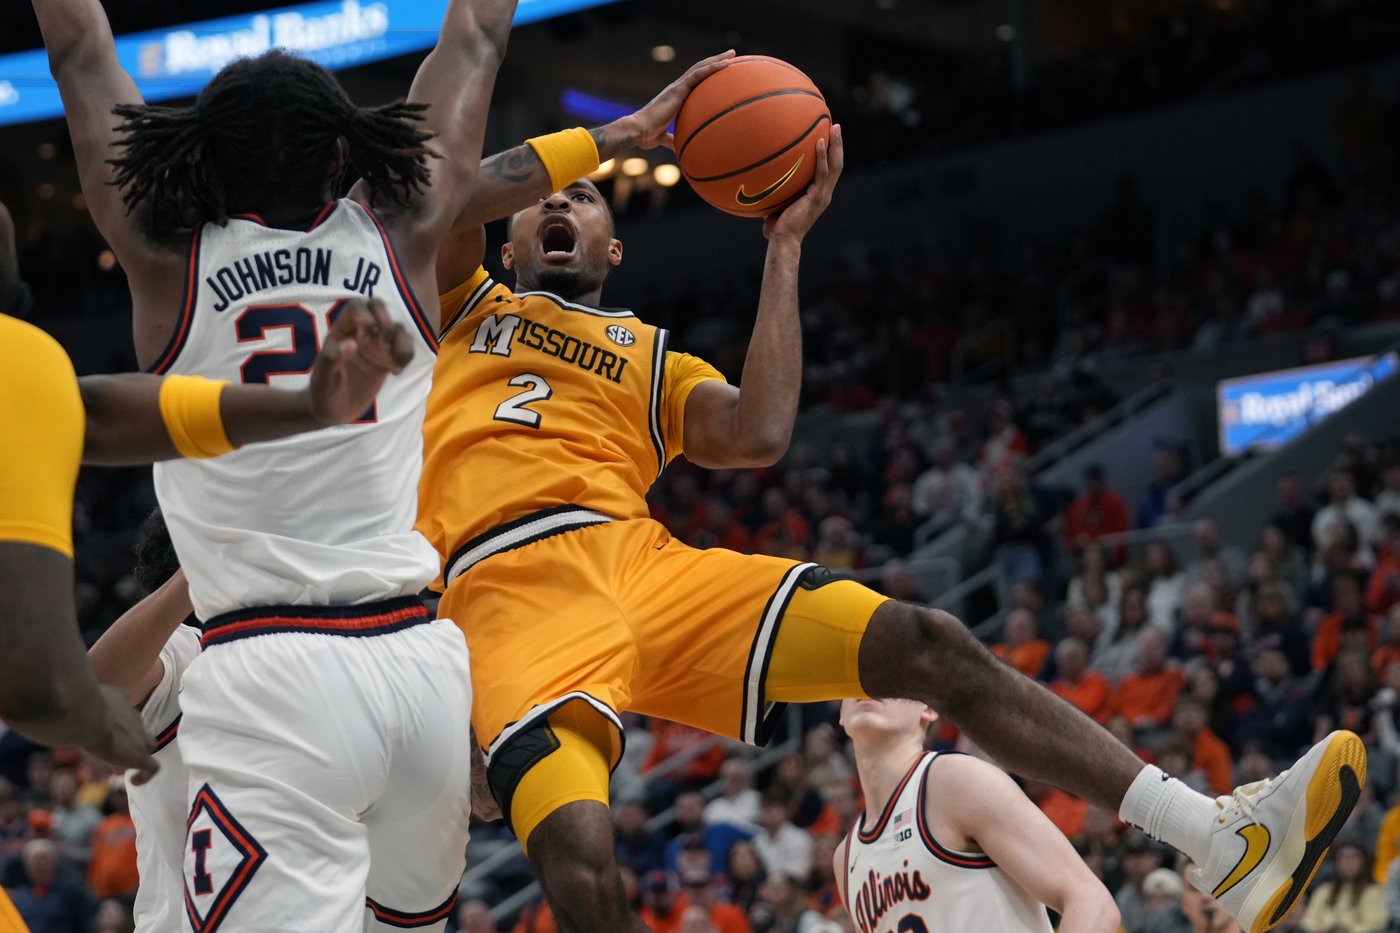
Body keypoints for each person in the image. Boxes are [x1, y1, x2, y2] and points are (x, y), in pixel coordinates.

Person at [419, 80, 1365, 933]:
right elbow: (449, 191)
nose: (557, 201)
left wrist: (783, 251)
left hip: (639, 565)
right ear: (507, 238)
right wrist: (611, 139)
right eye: (543, 197)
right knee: (582, 864)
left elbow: (758, 432)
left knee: (927, 644)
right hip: (511, 590)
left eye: (581, 198)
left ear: (614, 245)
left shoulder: (652, 354)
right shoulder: (462, 302)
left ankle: (1217, 837)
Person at [31, 0, 518, 925]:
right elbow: (478, 36)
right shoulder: (404, 232)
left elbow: (79, 45)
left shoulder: (165, 260)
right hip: (422, 668)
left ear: (202, 160)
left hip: (275, 670)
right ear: (344, 154)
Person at [833, 698, 1120, 932]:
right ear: (841, 714)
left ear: (929, 707)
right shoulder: (846, 858)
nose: (869, 685)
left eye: (888, 674)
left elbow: (1091, 902)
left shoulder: (956, 780)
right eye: (856, 681)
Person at [1298, 842, 1387, 933]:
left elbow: (1376, 923)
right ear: (1336, 862)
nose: (1348, 862)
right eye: (1343, 857)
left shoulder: (1374, 892)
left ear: (1364, 862)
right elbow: (1308, 921)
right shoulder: (1324, 890)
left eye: (1354, 857)